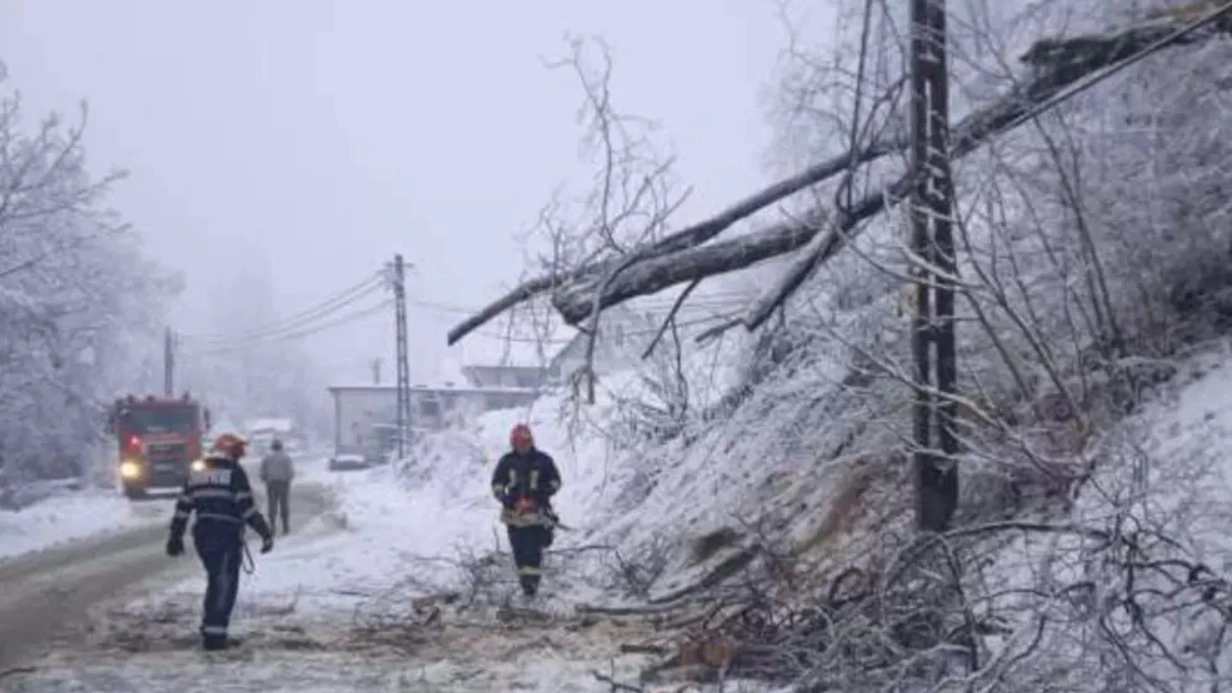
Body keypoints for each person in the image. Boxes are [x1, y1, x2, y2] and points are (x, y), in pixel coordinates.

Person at [166, 432, 274, 651]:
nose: (241, 455)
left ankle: (211, 629)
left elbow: (183, 506)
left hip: (203, 536)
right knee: (224, 584)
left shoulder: (197, 471)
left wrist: (175, 536)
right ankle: (215, 637)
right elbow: (247, 508)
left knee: (216, 581)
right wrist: (264, 532)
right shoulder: (233, 472)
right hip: (225, 535)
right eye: (239, 450)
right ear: (230, 450)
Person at [490, 423, 561, 599]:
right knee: (520, 552)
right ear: (513, 444)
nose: (522, 447)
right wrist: (505, 499)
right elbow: (497, 483)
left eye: (525, 443)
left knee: (533, 552)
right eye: (519, 443)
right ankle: (525, 586)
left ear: (531, 442)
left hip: (536, 515)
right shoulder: (507, 461)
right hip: (514, 516)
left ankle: (532, 589)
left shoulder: (543, 460)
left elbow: (555, 482)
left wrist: (540, 497)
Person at [259, 438, 295, 535]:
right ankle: (285, 527)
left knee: (272, 506)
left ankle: (272, 527)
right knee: (284, 505)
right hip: (284, 483)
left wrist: (264, 478)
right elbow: (290, 472)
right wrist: (288, 478)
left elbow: (262, 471)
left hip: (271, 484)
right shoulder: (286, 457)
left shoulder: (267, 457)